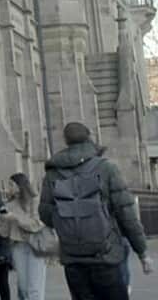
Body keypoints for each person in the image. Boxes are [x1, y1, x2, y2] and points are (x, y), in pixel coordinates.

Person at [39, 123, 152, 300]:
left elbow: (45, 214)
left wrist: (69, 220)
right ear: (89, 136)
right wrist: (142, 252)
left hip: (73, 259)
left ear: (66, 141)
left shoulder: (52, 174)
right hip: (106, 256)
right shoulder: (106, 168)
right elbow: (126, 214)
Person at [0, 173, 47, 300]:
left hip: (36, 246)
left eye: (11, 184)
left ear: (20, 185)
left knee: (34, 289)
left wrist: (15, 218)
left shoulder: (35, 201)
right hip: (18, 247)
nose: (9, 187)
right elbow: (3, 232)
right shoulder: (9, 205)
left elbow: (36, 225)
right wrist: (2, 219)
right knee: (23, 288)